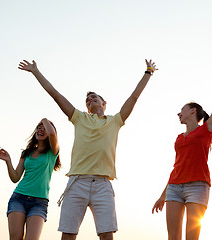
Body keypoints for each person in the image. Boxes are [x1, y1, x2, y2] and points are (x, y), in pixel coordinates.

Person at [18, 59, 157, 240]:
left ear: (103, 102)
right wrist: (36, 71)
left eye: (94, 97)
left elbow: (134, 97)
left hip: (103, 185)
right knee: (68, 235)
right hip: (77, 182)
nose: (90, 100)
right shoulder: (79, 118)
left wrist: (148, 72)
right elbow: (55, 94)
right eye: (87, 100)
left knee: (107, 235)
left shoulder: (115, 120)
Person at [151, 55, 212, 240]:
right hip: (174, 186)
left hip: (197, 186)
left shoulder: (206, 130)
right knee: (172, 237)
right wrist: (162, 195)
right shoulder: (178, 138)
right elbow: (177, 166)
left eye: (181, 109)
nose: (178, 113)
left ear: (192, 111)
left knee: (192, 236)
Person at [0, 118, 60, 240]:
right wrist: (8, 161)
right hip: (18, 198)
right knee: (16, 237)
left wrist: (44, 119)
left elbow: (52, 134)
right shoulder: (26, 153)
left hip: (39, 203)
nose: (41, 129)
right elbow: (15, 178)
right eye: (39, 127)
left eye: (44, 127)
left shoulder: (52, 152)